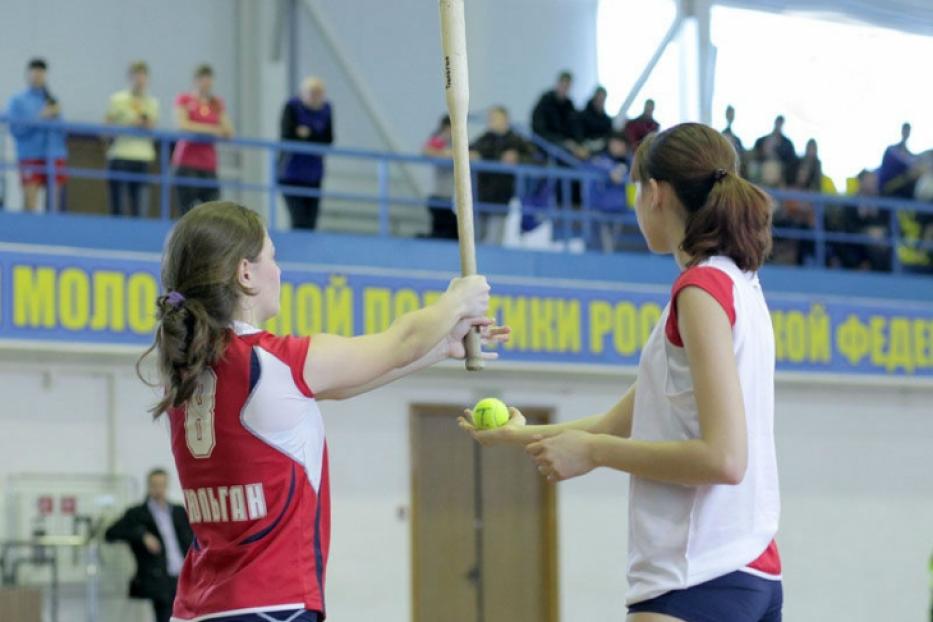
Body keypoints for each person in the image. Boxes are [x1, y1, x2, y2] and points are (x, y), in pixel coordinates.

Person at [462, 123, 781, 621]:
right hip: (747, 572)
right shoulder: (740, 283)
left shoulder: (700, 292)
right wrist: (514, 436)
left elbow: (724, 459)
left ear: (654, 192)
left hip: (696, 576)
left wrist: (594, 454)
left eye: (636, 188)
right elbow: (620, 422)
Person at [137, 201, 507, 621]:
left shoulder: (186, 372)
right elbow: (399, 340)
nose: (279, 271)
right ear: (245, 273)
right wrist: (457, 300)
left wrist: (443, 346)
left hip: (197, 608)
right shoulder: (275, 362)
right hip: (273, 606)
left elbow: (346, 384)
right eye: (272, 258)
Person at [105, 468, 193, 622]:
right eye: (155, 485)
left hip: (183, 575)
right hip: (158, 577)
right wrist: (142, 535)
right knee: (166, 615)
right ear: (149, 486)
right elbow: (111, 533)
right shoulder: (138, 513)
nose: (158, 489)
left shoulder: (178, 511)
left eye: (162, 485)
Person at [6, 58, 67, 212]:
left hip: (54, 154)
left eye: (41, 72)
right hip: (30, 154)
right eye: (34, 71)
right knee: (30, 201)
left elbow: (63, 131)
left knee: (54, 204)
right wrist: (40, 117)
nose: (37, 75)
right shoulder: (17, 101)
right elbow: (15, 130)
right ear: (27, 74)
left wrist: (55, 116)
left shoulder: (52, 100)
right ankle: (25, 233)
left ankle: (52, 233)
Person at [172, 64, 234, 215]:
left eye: (209, 80)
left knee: (212, 212)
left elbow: (228, 131)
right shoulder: (185, 99)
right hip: (187, 163)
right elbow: (183, 125)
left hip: (208, 164)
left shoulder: (217, 103)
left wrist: (202, 129)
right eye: (202, 79)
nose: (206, 83)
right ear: (196, 81)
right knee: (185, 211)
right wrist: (213, 130)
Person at [470, 106, 536, 244]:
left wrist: (518, 158)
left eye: (494, 118)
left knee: (494, 241)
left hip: (501, 198)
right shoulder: (485, 139)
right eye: (490, 118)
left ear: (505, 119)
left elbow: (535, 159)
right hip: (480, 196)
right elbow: (470, 151)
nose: (491, 121)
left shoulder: (516, 141)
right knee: (474, 241)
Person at [278, 77, 334, 231]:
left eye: (319, 93)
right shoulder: (292, 107)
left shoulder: (326, 109)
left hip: (313, 175)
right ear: (303, 93)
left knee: (311, 224)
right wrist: (315, 136)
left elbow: (328, 140)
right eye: (312, 93)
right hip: (290, 174)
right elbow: (287, 135)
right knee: (299, 220)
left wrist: (307, 133)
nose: (316, 97)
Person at [105, 61, 159, 217]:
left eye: (143, 76)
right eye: (136, 76)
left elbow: (153, 125)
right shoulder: (117, 99)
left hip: (142, 157)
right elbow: (106, 126)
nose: (140, 80)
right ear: (130, 77)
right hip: (120, 155)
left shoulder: (152, 102)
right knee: (118, 207)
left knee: (140, 207)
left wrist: (145, 123)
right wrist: (129, 123)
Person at [588, 130, 631, 252]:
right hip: (601, 209)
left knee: (614, 244)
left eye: (619, 143)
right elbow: (596, 166)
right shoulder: (601, 160)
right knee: (602, 245)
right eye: (613, 143)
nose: (615, 146)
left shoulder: (630, 162)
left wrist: (622, 170)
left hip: (620, 210)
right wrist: (614, 171)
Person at [531, 71, 587, 159]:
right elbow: (539, 129)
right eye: (563, 85)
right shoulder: (545, 102)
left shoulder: (570, 106)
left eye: (567, 86)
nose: (564, 89)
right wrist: (563, 142)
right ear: (558, 84)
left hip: (565, 146)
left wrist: (578, 144)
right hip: (547, 145)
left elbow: (575, 128)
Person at [422, 115, 457, 239]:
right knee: (445, 231)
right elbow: (426, 150)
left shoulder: (456, 142)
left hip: (448, 197)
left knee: (449, 231)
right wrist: (447, 154)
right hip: (438, 195)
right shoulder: (439, 140)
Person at [753, 115, 797, 187]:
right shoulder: (761, 140)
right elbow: (756, 154)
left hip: (780, 174)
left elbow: (791, 160)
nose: (779, 125)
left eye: (781, 123)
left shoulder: (787, 144)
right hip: (761, 173)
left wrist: (775, 156)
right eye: (778, 122)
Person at [580, 86, 613, 152]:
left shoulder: (607, 121)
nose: (600, 101)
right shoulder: (582, 115)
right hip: (582, 146)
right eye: (598, 98)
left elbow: (607, 137)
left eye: (602, 99)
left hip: (599, 150)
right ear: (594, 98)